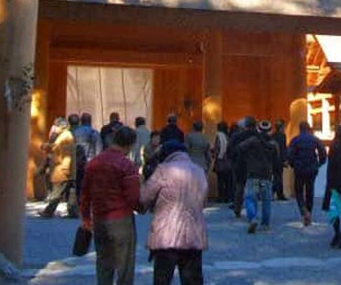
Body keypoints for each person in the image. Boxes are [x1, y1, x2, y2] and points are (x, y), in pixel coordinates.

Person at [140, 139, 208, 285]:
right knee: (193, 279)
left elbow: (145, 197)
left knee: (162, 279)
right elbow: (203, 201)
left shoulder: (163, 170)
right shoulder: (199, 171)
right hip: (193, 233)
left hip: (166, 235)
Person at [81, 126, 140, 285]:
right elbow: (133, 197)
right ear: (129, 145)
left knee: (103, 263)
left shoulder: (94, 163)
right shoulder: (127, 165)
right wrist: (143, 207)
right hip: (121, 219)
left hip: (99, 218)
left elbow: (85, 194)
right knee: (124, 266)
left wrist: (86, 219)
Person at [237, 119, 280, 233]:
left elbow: (240, 148)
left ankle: (253, 218)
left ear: (258, 129)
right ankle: (265, 223)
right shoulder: (273, 144)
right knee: (266, 200)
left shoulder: (253, 141)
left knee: (251, 198)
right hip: (266, 176)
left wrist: (248, 159)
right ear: (270, 130)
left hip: (254, 175)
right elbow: (277, 160)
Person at [286, 121, 326, 226]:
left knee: (298, 191)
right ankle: (309, 212)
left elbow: (290, 154)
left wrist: (292, 164)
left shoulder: (295, 140)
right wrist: (319, 163)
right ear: (309, 129)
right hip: (312, 168)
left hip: (299, 168)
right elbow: (322, 152)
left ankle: (303, 210)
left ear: (300, 129)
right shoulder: (314, 139)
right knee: (310, 190)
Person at [38, 117, 76, 218]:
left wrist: (66, 169)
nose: (54, 128)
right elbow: (55, 147)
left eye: (56, 126)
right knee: (71, 191)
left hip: (63, 168)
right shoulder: (65, 135)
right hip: (67, 169)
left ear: (61, 126)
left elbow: (63, 153)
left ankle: (48, 212)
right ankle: (73, 212)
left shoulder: (66, 136)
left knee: (57, 192)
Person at [228, 117, 257, 217]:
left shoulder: (237, 136)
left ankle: (237, 208)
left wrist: (233, 161)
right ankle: (252, 210)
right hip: (254, 165)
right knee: (252, 189)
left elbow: (231, 150)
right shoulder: (258, 136)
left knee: (239, 187)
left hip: (240, 164)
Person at [212, 121, 233, 203]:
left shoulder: (219, 135)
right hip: (228, 161)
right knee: (227, 181)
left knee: (220, 180)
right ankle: (227, 197)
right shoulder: (228, 136)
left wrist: (215, 155)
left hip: (221, 161)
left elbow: (218, 147)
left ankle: (221, 197)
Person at [271, 120, 288, 200]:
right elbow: (283, 148)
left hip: (273, 159)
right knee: (279, 177)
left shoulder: (272, 135)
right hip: (279, 159)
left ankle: (274, 192)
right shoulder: (283, 136)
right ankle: (278, 193)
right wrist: (285, 159)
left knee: (275, 176)